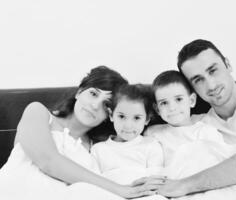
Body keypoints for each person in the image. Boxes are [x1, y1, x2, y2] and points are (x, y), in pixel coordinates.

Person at [0, 66, 164, 200]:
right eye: (93, 94)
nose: (94, 105)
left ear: (111, 115)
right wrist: (121, 190)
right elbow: (48, 160)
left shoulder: (97, 150)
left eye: (105, 104)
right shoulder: (38, 112)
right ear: (79, 92)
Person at [157, 39, 236, 198]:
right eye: (198, 80)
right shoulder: (202, 125)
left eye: (213, 70)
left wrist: (184, 185)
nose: (211, 85)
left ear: (228, 65)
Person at [145, 70, 236, 180]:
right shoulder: (153, 133)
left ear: (191, 100)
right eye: (164, 103)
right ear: (157, 109)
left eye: (178, 99)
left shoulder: (205, 129)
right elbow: (149, 165)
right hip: (169, 184)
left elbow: (220, 160)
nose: (172, 108)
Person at [91, 84, 164, 185]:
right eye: (121, 116)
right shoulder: (98, 150)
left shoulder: (151, 145)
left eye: (137, 118)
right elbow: (94, 184)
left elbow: (156, 181)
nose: (128, 126)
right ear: (111, 115)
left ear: (146, 119)